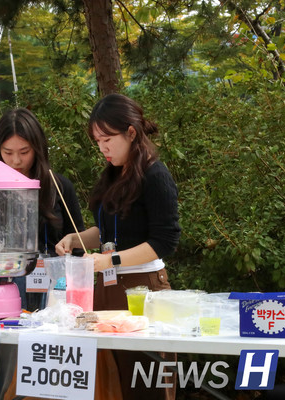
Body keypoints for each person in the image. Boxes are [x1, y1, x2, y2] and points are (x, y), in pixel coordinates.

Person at [56, 93, 181, 400]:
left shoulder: (155, 175)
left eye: (107, 139)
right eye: (97, 141)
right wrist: (76, 239)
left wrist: (110, 262)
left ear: (131, 132)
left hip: (143, 289)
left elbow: (164, 240)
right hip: (107, 288)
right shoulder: (114, 173)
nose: (103, 148)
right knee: (110, 383)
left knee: (144, 384)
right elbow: (109, 231)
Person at [0, 107, 85, 311]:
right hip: (2, 289)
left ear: (38, 149)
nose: (16, 161)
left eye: (24, 152)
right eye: (8, 152)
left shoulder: (58, 186)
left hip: (54, 291)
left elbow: (79, 245)